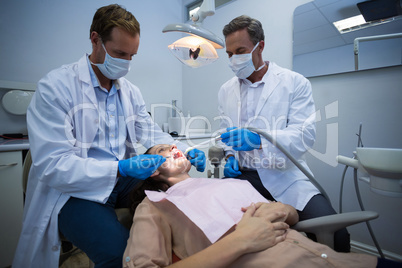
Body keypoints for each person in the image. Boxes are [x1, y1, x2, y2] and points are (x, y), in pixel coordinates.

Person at [13, 4, 205, 268]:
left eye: (131, 56)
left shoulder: (130, 92)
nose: (126, 62)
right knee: (121, 254)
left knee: (183, 212)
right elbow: (53, 165)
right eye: (119, 53)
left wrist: (183, 148)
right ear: (95, 40)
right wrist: (120, 168)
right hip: (73, 190)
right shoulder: (55, 88)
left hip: (122, 178)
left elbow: (150, 133)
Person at [123, 144, 382, 268]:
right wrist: (241, 241)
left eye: (171, 144)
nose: (171, 146)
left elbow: (289, 213)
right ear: (151, 171)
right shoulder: (155, 205)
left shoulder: (224, 184)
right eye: (160, 149)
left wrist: (282, 209)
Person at [217, 15, 350, 252]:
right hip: (242, 177)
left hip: (286, 176)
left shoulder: (294, 83)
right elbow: (226, 134)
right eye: (229, 54)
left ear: (261, 46)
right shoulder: (226, 90)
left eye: (240, 51)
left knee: (337, 237)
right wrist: (228, 158)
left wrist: (260, 140)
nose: (234, 59)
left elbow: (304, 135)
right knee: (228, 234)